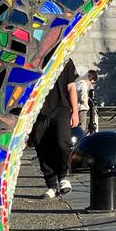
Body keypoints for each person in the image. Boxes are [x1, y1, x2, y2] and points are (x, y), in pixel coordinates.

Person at [34, 58, 79, 198]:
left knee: (63, 142)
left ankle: (63, 176)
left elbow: (71, 87)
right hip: (39, 110)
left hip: (62, 108)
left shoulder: (65, 59)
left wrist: (75, 112)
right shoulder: (36, 58)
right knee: (40, 144)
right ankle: (51, 185)